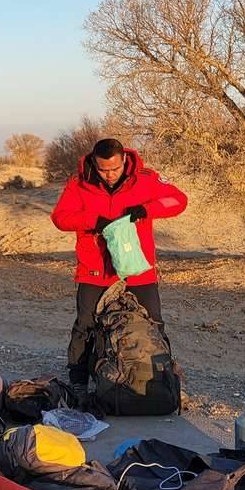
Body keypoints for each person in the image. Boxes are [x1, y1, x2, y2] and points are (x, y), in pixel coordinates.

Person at [50, 138, 188, 401]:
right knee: (85, 324)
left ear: (124, 160)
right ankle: (79, 381)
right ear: (94, 163)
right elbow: (60, 217)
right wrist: (93, 220)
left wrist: (147, 210)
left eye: (115, 168)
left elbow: (179, 201)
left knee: (154, 322)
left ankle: (165, 378)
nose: (110, 175)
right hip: (95, 269)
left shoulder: (145, 179)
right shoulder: (79, 183)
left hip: (138, 268)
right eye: (104, 170)